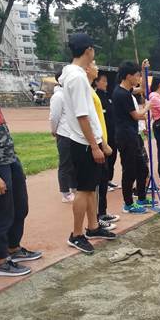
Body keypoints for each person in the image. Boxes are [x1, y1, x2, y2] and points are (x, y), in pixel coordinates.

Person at [59, 33, 117, 254]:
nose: (94, 55)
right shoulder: (76, 77)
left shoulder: (76, 75)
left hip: (88, 140)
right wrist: (94, 146)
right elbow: (82, 115)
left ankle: (93, 227)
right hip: (83, 143)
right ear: (88, 50)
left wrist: (99, 142)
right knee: (83, 190)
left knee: (91, 188)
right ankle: (76, 234)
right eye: (93, 50)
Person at [0, 104, 42, 276]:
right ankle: (0, 260)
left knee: (20, 206)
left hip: (10, 158)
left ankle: (13, 248)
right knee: (3, 212)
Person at [112, 60, 152, 214]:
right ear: (128, 76)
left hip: (133, 135)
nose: (138, 78)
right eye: (136, 75)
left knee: (142, 168)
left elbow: (142, 88)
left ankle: (141, 198)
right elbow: (136, 115)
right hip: (125, 137)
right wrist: (147, 108)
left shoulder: (127, 91)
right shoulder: (121, 94)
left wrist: (143, 70)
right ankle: (128, 204)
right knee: (129, 170)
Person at [88, 61, 118, 230]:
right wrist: (98, 145)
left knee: (104, 179)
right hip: (96, 144)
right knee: (96, 183)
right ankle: (96, 218)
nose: (96, 67)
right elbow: (90, 123)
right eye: (103, 80)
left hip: (106, 140)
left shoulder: (105, 96)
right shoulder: (91, 95)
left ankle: (102, 212)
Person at [49, 70, 76, 203]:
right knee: (65, 164)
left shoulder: (69, 94)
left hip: (73, 134)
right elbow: (54, 116)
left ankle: (74, 187)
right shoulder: (58, 96)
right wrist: (54, 130)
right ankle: (65, 193)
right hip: (64, 134)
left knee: (73, 162)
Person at [93, 71, 119, 191]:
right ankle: (101, 182)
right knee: (105, 158)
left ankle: (108, 179)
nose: (106, 83)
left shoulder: (108, 96)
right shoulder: (96, 96)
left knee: (113, 155)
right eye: (103, 81)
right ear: (96, 82)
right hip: (103, 133)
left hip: (113, 132)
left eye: (106, 81)